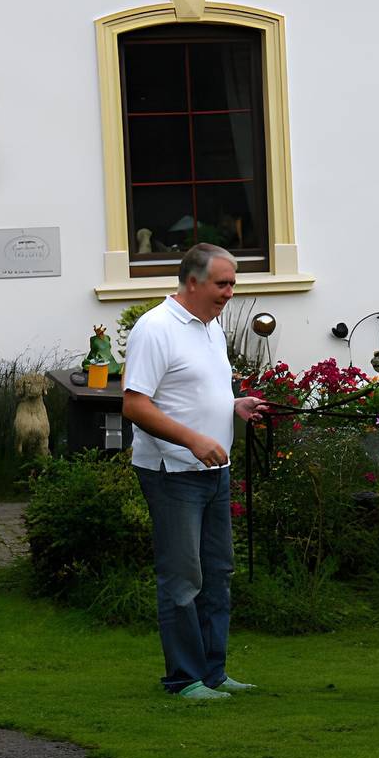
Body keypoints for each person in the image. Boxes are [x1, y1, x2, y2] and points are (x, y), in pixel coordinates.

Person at [122, 243, 266, 700]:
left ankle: (214, 673)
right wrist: (192, 439)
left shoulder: (211, 328)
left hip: (213, 469)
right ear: (192, 282)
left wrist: (234, 405)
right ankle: (184, 678)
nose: (229, 292)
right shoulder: (156, 329)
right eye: (222, 283)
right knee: (183, 577)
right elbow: (134, 405)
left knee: (217, 573)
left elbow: (197, 391)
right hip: (172, 472)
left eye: (232, 283)